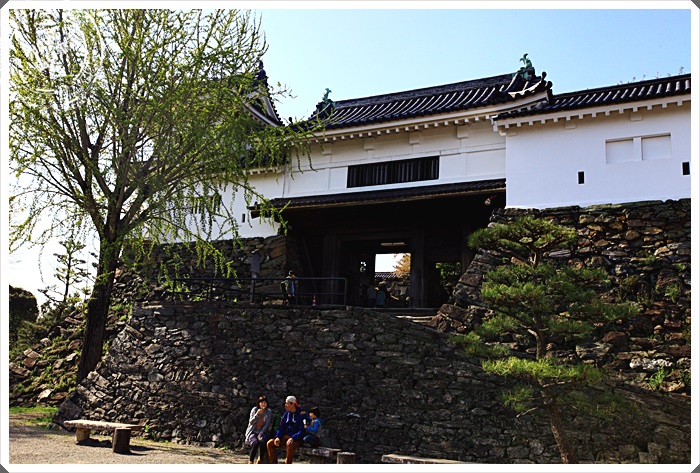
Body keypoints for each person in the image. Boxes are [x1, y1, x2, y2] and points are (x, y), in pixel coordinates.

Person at [266, 395, 306, 464]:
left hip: (296, 438)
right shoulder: (285, 415)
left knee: (290, 444)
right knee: (270, 443)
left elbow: (302, 431)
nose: (285, 405)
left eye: (287, 403)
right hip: (286, 436)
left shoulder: (301, 415)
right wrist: (278, 437)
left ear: (292, 404)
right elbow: (281, 427)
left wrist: (293, 438)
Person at [245, 395, 273, 464]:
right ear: (259, 403)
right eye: (262, 403)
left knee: (263, 441)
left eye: (265, 403)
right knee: (255, 443)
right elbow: (251, 422)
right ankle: (251, 461)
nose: (263, 404)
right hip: (253, 432)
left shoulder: (268, 411)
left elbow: (267, 424)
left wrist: (260, 433)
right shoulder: (254, 410)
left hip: (263, 432)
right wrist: (257, 414)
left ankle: (260, 459)